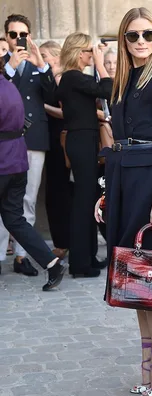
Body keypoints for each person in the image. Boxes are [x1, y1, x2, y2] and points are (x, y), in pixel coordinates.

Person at [95, 7, 152, 396]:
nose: (141, 41)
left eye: (148, 34)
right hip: (125, 179)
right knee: (135, 283)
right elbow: (116, 142)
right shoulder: (122, 84)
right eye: (133, 35)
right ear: (123, 40)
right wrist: (108, 191)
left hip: (150, 182)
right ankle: (149, 371)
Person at [0, 56, 66, 290]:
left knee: (15, 219)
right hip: (17, 162)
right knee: (15, 219)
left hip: (4, 163)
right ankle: (52, 263)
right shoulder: (9, 86)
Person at [0, 14, 55, 276]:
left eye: (23, 34)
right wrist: (9, 66)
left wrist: (42, 64)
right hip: (6, 144)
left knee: (28, 201)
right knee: (3, 205)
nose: (18, 39)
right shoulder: (2, 66)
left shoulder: (37, 65)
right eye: (13, 35)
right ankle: (0, 255)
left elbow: (54, 96)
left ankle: (22, 256)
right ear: (6, 37)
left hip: (33, 140)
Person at [57, 32, 112, 278]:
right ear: (80, 53)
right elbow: (107, 89)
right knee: (83, 202)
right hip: (80, 142)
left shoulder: (74, 78)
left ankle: (88, 256)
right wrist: (101, 63)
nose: (93, 54)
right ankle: (80, 264)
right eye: (90, 51)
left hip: (85, 140)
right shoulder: (72, 77)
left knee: (89, 199)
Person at [39, 40, 72, 260]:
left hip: (61, 141)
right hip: (52, 140)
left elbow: (66, 112)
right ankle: (62, 241)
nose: (39, 59)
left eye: (43, 55)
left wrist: (41, 107)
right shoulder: (49, 78)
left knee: (59, 194)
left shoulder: (61, 79)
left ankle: (62, 242)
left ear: (55, 56)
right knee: (56, 193)